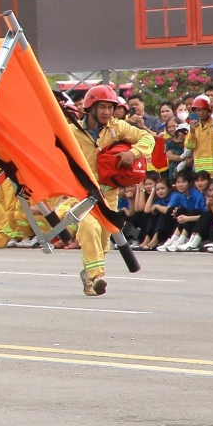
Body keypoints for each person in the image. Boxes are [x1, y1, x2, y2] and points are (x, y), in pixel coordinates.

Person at [70, 84, 154, 295]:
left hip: (108, 194)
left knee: (103, 240)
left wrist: (133, 153)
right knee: (89, 228)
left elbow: (148, 138)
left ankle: (89, 276)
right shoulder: (70, 132)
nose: (107, 112)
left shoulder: (118, 127)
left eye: (110, 107)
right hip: (81, 193)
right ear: (90, 107)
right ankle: (96, 278)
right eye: (102, 107)